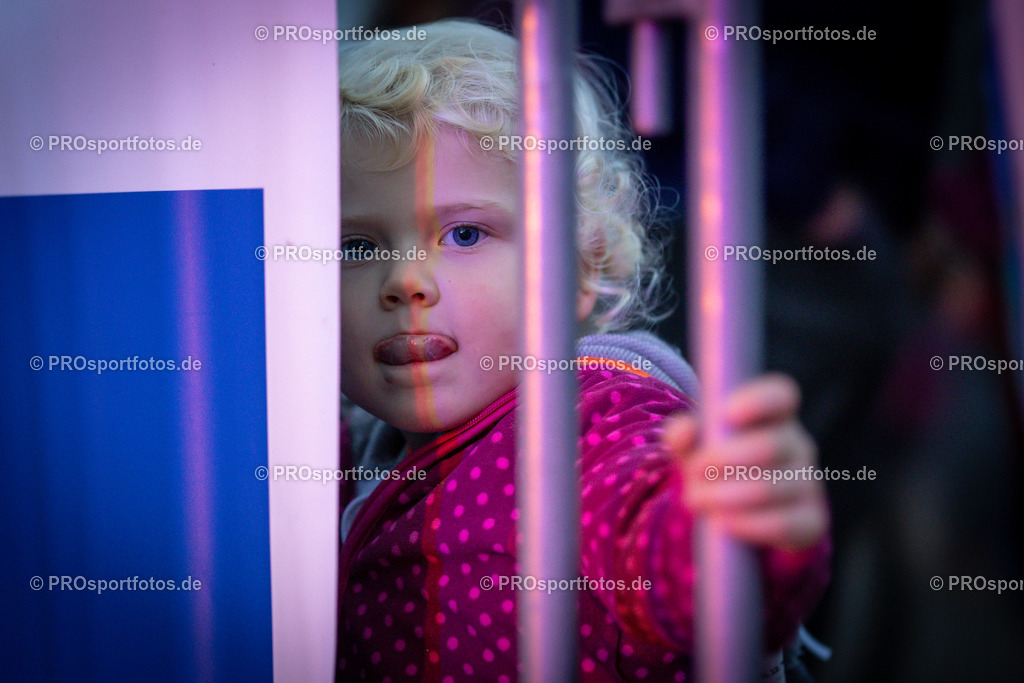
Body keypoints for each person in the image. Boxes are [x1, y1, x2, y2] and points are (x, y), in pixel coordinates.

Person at [337, 18, 830, 681]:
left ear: (579, 267)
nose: (404, 281)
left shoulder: (590, 414)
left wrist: (730, 532)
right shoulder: (347, 444)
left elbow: (651, 528)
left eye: (463, 234)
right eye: (357, 247)